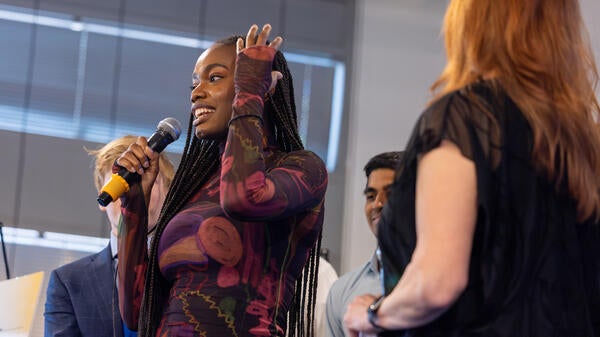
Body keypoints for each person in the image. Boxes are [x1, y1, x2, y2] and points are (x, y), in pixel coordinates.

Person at [343, 0, 600, 336]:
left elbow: (437, 283)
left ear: (472, 18)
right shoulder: (582, 141)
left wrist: (372, 313)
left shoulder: (463, 120)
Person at [115, 23, 328, 337]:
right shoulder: (193, 189)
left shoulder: (302, 168)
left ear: (260, 85)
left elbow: (243, 198)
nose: (196, 93)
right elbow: (135, 312)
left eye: (214, 78)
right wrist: (134, 204)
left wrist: (249, 94)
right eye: (194, 83)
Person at [44, 135, 175, 337]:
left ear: (168, 191)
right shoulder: (68, 282)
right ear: (102, 195)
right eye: (121, 182)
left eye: (146, 180)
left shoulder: (188, 268)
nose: (132, 193)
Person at [325, 152, 401, 337]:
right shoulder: (343, 291)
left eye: (390, 194)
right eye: (371, 196)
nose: (378, 203)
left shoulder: (444, 283)